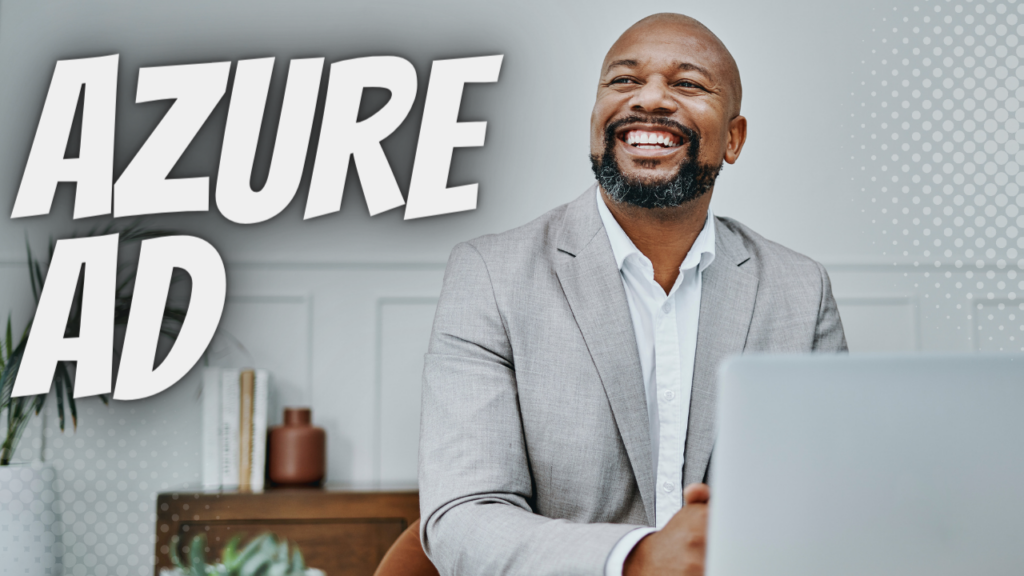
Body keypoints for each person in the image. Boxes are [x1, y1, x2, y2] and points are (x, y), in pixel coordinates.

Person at [418, 12, 846, 576]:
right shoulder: (490, 276)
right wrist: (637, 559)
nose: (649, 100)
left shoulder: (800, 289)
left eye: (688, 84)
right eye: (623, 81)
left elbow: (829, 500)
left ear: (734, 139)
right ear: (596, 121)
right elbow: (463, 517)